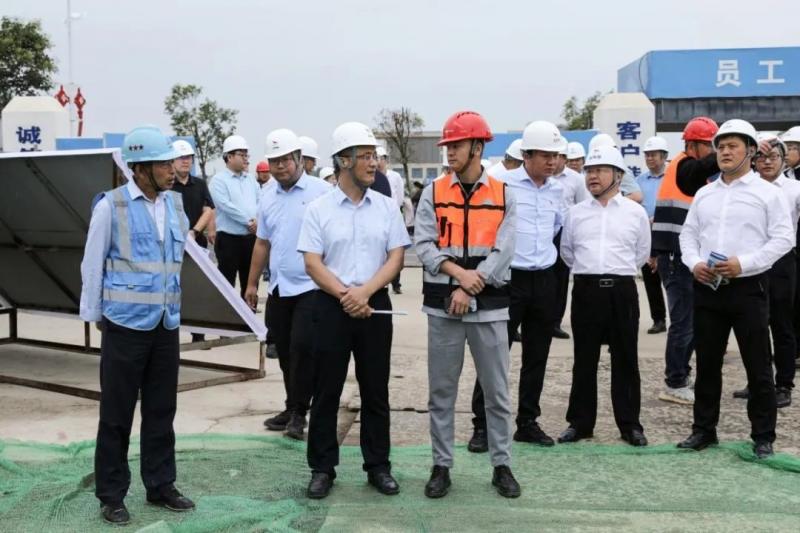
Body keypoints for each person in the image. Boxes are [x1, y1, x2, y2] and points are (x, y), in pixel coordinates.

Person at [80, 125, 194, 525]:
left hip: (165, 324)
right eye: (163, 164)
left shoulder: (175, 204)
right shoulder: (111, 206)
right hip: (124, 325)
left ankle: (161, 485)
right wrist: (95, 315)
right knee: (116, 413)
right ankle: (112, 494)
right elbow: (92, 264)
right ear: (140, 168)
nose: (172, 170)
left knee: (162, 410)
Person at [299, 121, 410, 499]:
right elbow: (312, 262)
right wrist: (347, 295)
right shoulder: (319, 209)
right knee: (326, 390)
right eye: (365, 156)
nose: (373, 163)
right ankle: (322, 468)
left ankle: (378, 465)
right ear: (343, 161)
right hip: (331, 305)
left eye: (375, 156)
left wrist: (365, 292)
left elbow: (396, 257)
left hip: (374, 304)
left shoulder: (387, 207)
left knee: (375, 389)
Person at [415, 110, 520, 499]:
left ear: (477, 147)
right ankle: (441, 466)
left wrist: (471, 287)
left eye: (456, 145)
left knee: (497, 393)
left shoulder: (505, 194)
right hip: (443, 308)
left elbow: (504, 251)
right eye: (447, 146)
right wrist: (460, 276)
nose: (449, 152)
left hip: (489, 309)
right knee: (441, 393)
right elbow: (424, 245)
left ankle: (502, 465)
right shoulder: (433, 192)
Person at [677, 119, 793, 459]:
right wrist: (694, 263)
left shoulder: (768, 193)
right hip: (708, 287)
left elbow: (783, 238)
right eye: (721, 147)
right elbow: (688, 235)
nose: (725, 152)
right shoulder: (705, 193)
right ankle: (703, 430)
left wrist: (745, 263)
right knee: (707, 363)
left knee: (758, 365)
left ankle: (763, 436)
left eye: (733, 146)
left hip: (749, 288)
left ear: (751, 151)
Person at [468, 121, 563, 455]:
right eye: (545, 155)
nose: (552, 162)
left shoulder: (557, 189)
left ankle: (527, 422)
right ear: (527, 155)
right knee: (494, 354)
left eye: (555, 155)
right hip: (508, 281)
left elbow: (556, 228)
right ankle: (483, 425)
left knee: (537, 355)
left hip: (544, 278)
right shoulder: (502, 184)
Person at [558, 145, 650, 447]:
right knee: (584, 359)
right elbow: (568, 252)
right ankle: (580, 423)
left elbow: (641, 253)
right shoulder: (575, 214)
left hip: (622, 290)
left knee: (626, 359)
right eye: (589, 171)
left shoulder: (635, 213)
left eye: (599, 170)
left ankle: (630, 425)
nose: (592, 176)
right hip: (586, 290)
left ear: (618, 175)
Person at [245, 129, 332, 440]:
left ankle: (299, 413)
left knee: (302, 349)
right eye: (274, 161)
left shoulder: (322, 192)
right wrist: (252, 284)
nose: (280, 166)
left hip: (311, 287)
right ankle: (291, 405)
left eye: (285, 160)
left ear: (298, 158)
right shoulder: (268, 195)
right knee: (283, 350)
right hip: (279, 288)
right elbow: (262, 243)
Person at [650, 116, 719, 405]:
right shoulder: (685, 166)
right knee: (683, 322)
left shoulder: (685, 169)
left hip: (680, 256)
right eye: (710, 146)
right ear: (692, 145)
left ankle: (681, 374)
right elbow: (704, 167)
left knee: (690, 320)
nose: (714, 152)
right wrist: (734, 149)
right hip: (676, 257)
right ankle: (675, 381)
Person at [733, 133, 799, 409]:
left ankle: (784, 384)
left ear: (784, 160)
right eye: (762, 157)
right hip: (752, 262)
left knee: (782, 324)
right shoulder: (745, 188)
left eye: (774, 157)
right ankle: (758, 381)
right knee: (755, 325)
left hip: (782, 262)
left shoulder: (794, 189)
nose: (767, 162)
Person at [171, 140, 216, 344]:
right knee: (175, 288)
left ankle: (198, 333)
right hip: (173, 246)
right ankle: (172, 330)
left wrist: (194, 231)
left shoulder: (199, 184)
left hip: (197, 244)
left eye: (188, 157)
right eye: (181, 158)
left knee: (197, 288)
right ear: (172, 161)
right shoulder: (167, 185)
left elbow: (208, 210)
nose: (185, 161)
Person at [209, 135, 260, 299]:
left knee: (250, 282)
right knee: (226, 283)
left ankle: (249, 314)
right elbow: (226, 206)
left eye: (247, 155)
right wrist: (249, 221)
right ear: (229, 157)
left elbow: (260, 201)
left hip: (250, 239)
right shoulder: (218, 181)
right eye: (242, 155)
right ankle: (225, 314)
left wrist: (257, 220)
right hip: (228, 240)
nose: (246, 158)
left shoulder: (251, 179)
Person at [552, 136, 590, 340]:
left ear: (564, 158)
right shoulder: (543, 176)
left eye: (558, 156)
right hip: (544, 232)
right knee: (543, 279)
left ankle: (555, 322)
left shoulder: (576, 179)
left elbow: (583, 207)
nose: (554, 160)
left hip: (564, 233)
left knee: (561, 279)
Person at [636, 136, 668, 335]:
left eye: (653, 155)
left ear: (664, 156)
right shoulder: (640, 180)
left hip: (668, 232)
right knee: (650, 277)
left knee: (671, 278)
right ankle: (659, 319)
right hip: (647, 233)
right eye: (647, 155)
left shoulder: (672, 178)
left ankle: (680, 317)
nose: (649, 158)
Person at [377, 146, 407, 294]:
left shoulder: (394, 176)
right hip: (377, 217)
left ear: (386, 160)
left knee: (395, 249)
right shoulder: (371, 177)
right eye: (376, 158)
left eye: (381, 159)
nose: (379, 162)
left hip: (393, 215)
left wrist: (395, 210)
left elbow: (400, 196)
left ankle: (396, 283)